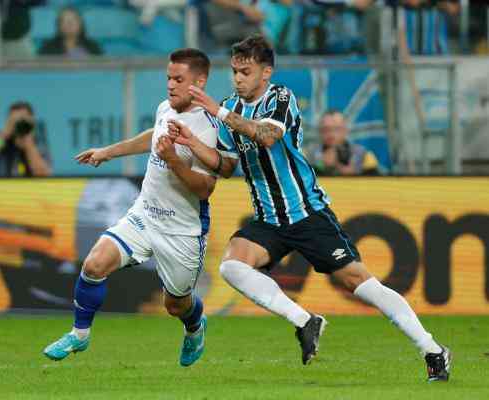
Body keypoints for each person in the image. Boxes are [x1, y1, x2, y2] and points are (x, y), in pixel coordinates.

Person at [167, 34, 451, 381]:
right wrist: (191, 142)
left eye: (245, 71)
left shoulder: (281, 98)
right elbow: (226, 166)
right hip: (268, 221)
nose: (238, 79)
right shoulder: (231, 107)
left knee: (359, 282)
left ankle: (432, 349)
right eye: (234, 72)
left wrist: (217, 111)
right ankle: (304, 320)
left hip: (306, 213)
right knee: (232, 267)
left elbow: (267, 136)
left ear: (266, 72)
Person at [42, 48, 219, 367]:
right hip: (144, 214)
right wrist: (109, 152)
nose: (170, 85)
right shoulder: (166, 107)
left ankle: (195, 327)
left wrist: (172, 160)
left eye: (179, 79)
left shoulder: (208, 128)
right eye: (168, 78)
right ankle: (79, 336)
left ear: (200, 82)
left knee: (175, 305)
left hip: (181, 229)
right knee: (94, 264)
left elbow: (206, 187)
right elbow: (154, 136)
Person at [0, 101, 52, 177]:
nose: (18, 124)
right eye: (14, 120)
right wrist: (4, 135)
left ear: (31, 121)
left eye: (22, 120)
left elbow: (43, 175)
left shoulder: (37, 143)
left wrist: (28, 145)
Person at [306, 110, 381, 175]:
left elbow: (377, 184)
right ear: (320, 131)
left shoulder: (364, 155)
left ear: (345, 130)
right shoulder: (308, 156)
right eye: (326, 129)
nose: (331, 134)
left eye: (336, 129)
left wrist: (352, 174)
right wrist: (321, 167)